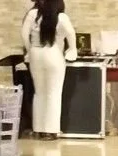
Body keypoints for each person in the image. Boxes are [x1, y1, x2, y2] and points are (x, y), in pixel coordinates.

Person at [21, 0, 77, 140]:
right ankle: (51, 131)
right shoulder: (61, 17)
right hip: (53, 53)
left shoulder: (33, 14)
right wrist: (72, 49)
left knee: (39, 93)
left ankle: (38, 129)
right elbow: (71, 33)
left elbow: (24, 34)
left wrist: (29, 50)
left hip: (35, 53)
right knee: (53, 93)